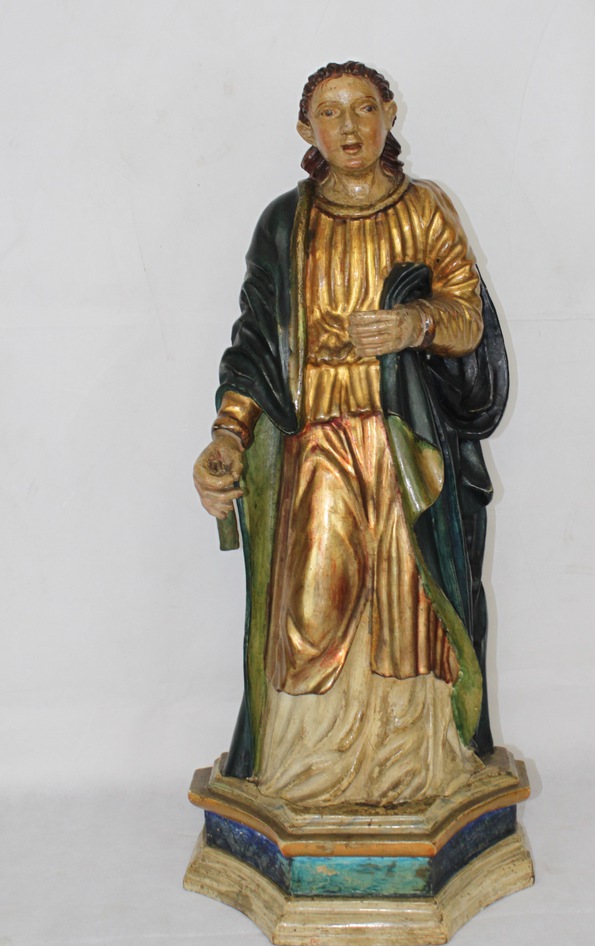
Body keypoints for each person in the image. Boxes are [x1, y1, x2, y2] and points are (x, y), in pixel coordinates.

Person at [193, 61, 509, 806]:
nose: (349, 127)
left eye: (363, 108)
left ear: (390, 114)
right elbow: (255, 346)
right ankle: (310, 766)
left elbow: (467, 316)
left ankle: (411, 762)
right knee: (314, 604)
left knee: (411, 603)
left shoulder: (424, 208)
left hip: (405, 442)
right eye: (329, 113)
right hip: (319, 442)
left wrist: (415, 323)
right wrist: (229, 436)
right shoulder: (285, 223)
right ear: (306, 130)